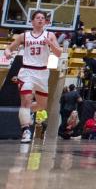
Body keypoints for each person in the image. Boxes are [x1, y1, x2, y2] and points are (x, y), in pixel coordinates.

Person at [3, 10, 62, 142]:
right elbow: (9, 48)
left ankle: (26, 112)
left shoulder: (50, 35)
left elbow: (58, 53)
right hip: (27, 71)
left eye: (43, 18)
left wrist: (51, 43)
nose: (41, 20)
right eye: (38, 18)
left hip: (42, 73)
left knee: (41, 106)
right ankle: (26, 131)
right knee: (26, 101)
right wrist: (7, 53)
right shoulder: (24, 36)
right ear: (32, 21)